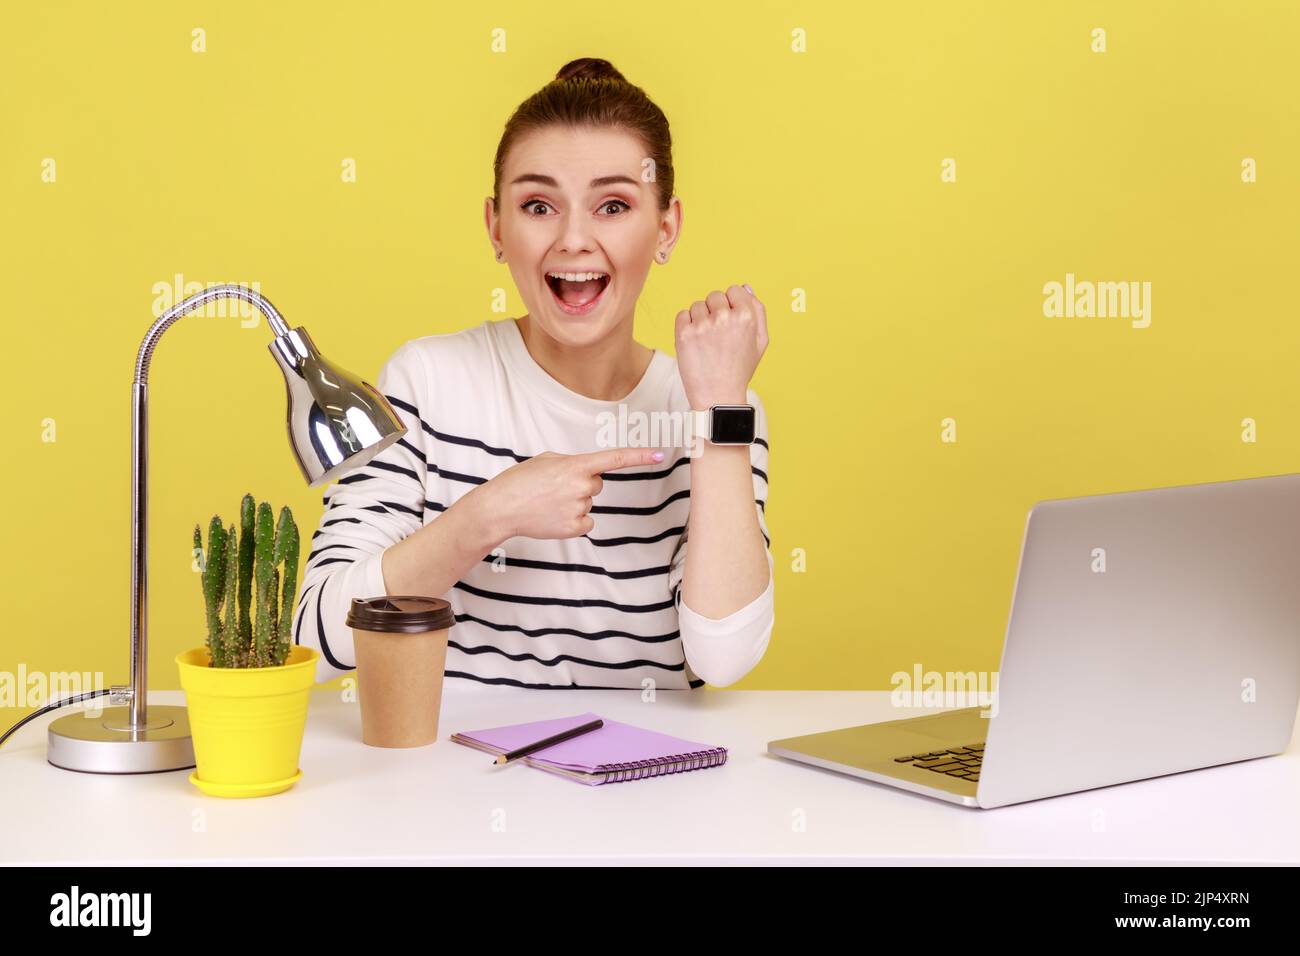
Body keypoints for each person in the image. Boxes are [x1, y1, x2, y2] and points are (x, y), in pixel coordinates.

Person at [292, 57, 773, 690]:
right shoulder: (429, 380)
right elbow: (314, 632)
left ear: (666, 228)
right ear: (496, 227)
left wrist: (717, 413)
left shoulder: (718, 411)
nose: (574, 239)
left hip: (645, 782)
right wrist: (487, 515)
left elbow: (724, 657)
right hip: (455, 778)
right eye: (540, 205)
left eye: (613, 205)